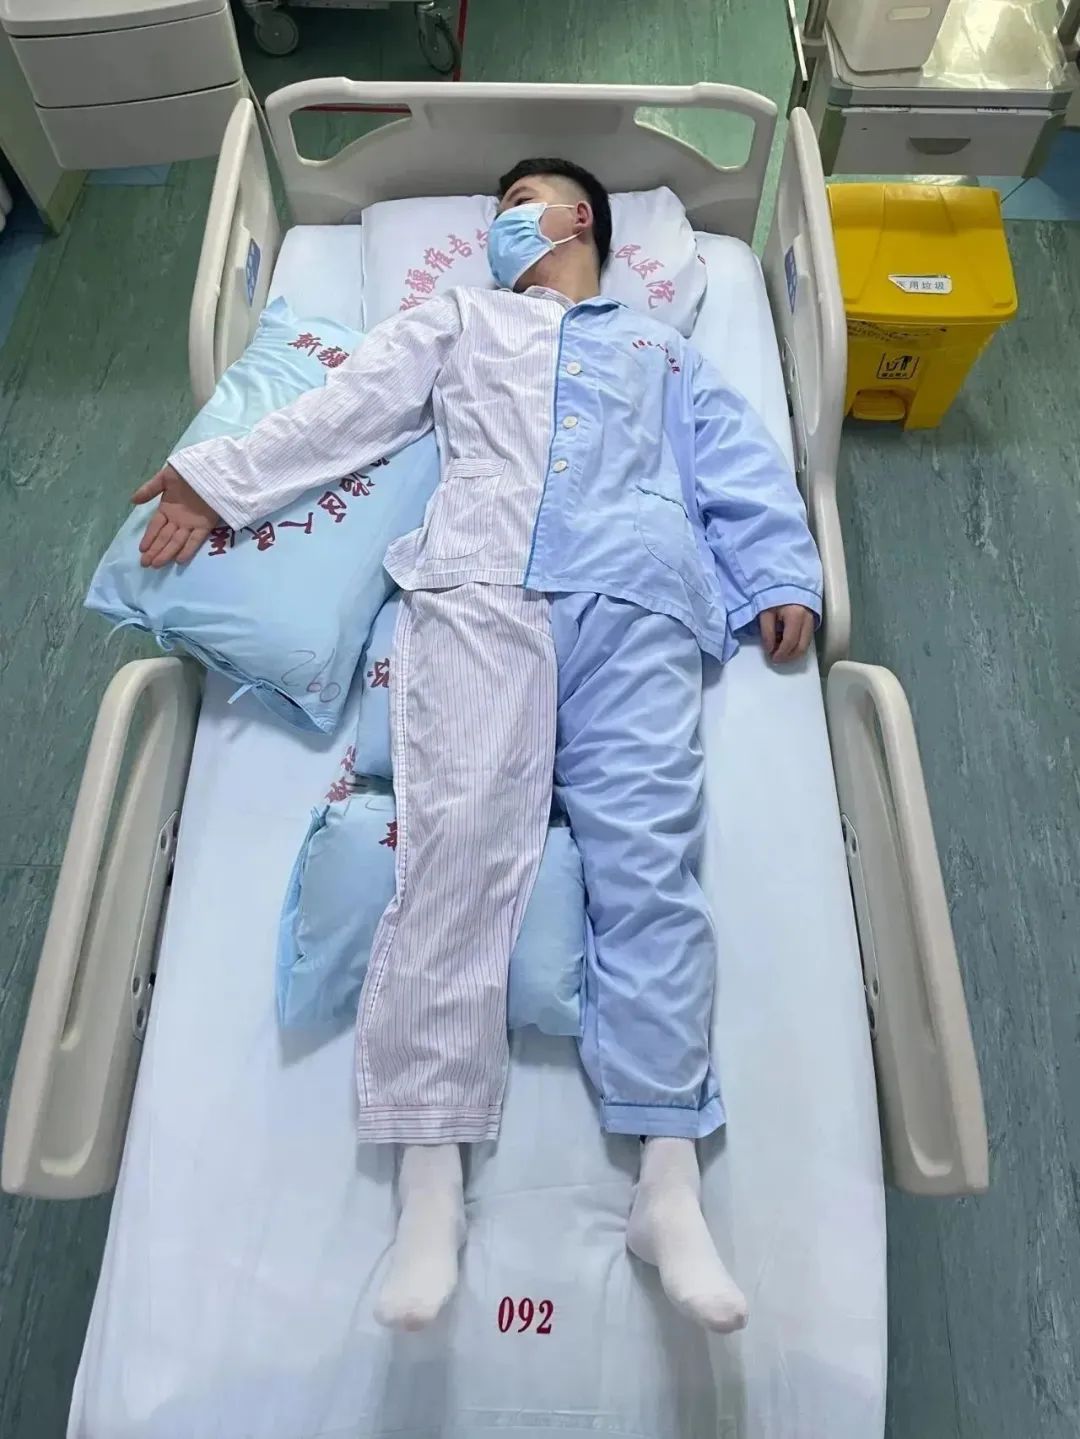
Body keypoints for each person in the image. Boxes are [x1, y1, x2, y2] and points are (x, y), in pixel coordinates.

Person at [133, 158, 821, 1337]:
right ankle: (429, 1180)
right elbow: (345, 411)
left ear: (577, 219)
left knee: (649, 866)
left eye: (515, 206)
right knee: (455, 850)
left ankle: (667, 1181)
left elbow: (742, 463)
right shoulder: (461, 319)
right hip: (479, 586)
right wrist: (216, 477)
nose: (500, 226)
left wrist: (780, 571)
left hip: (639, 598)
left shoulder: (662, 350)